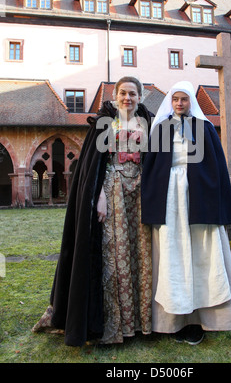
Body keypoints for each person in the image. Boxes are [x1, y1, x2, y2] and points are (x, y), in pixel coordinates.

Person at [32, 76, 153, 346]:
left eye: (132, 93)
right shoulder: (104, 123)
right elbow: (94, 167)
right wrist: (98, 197)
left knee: (141, 254)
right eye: (123, 93)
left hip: (142, 194)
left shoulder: (149, 122)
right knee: (116, 253)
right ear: (115, 95)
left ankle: (142, 323)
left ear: (140, 96)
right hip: (113, 191)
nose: (127, 98)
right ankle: (114, 326)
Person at [141, 81, 231, 345]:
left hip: (199, 198)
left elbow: (216, 167)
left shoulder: (205, 128)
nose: (179, 103)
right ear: (170, 101)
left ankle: (203, 319)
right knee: (172, 252)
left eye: (184, 99)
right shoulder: (161, 129)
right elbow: (151, 168)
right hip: (169, 199)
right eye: (175, 99)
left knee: (202, 253)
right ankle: (172, 320)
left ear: (191, 102)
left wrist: (213, 197)